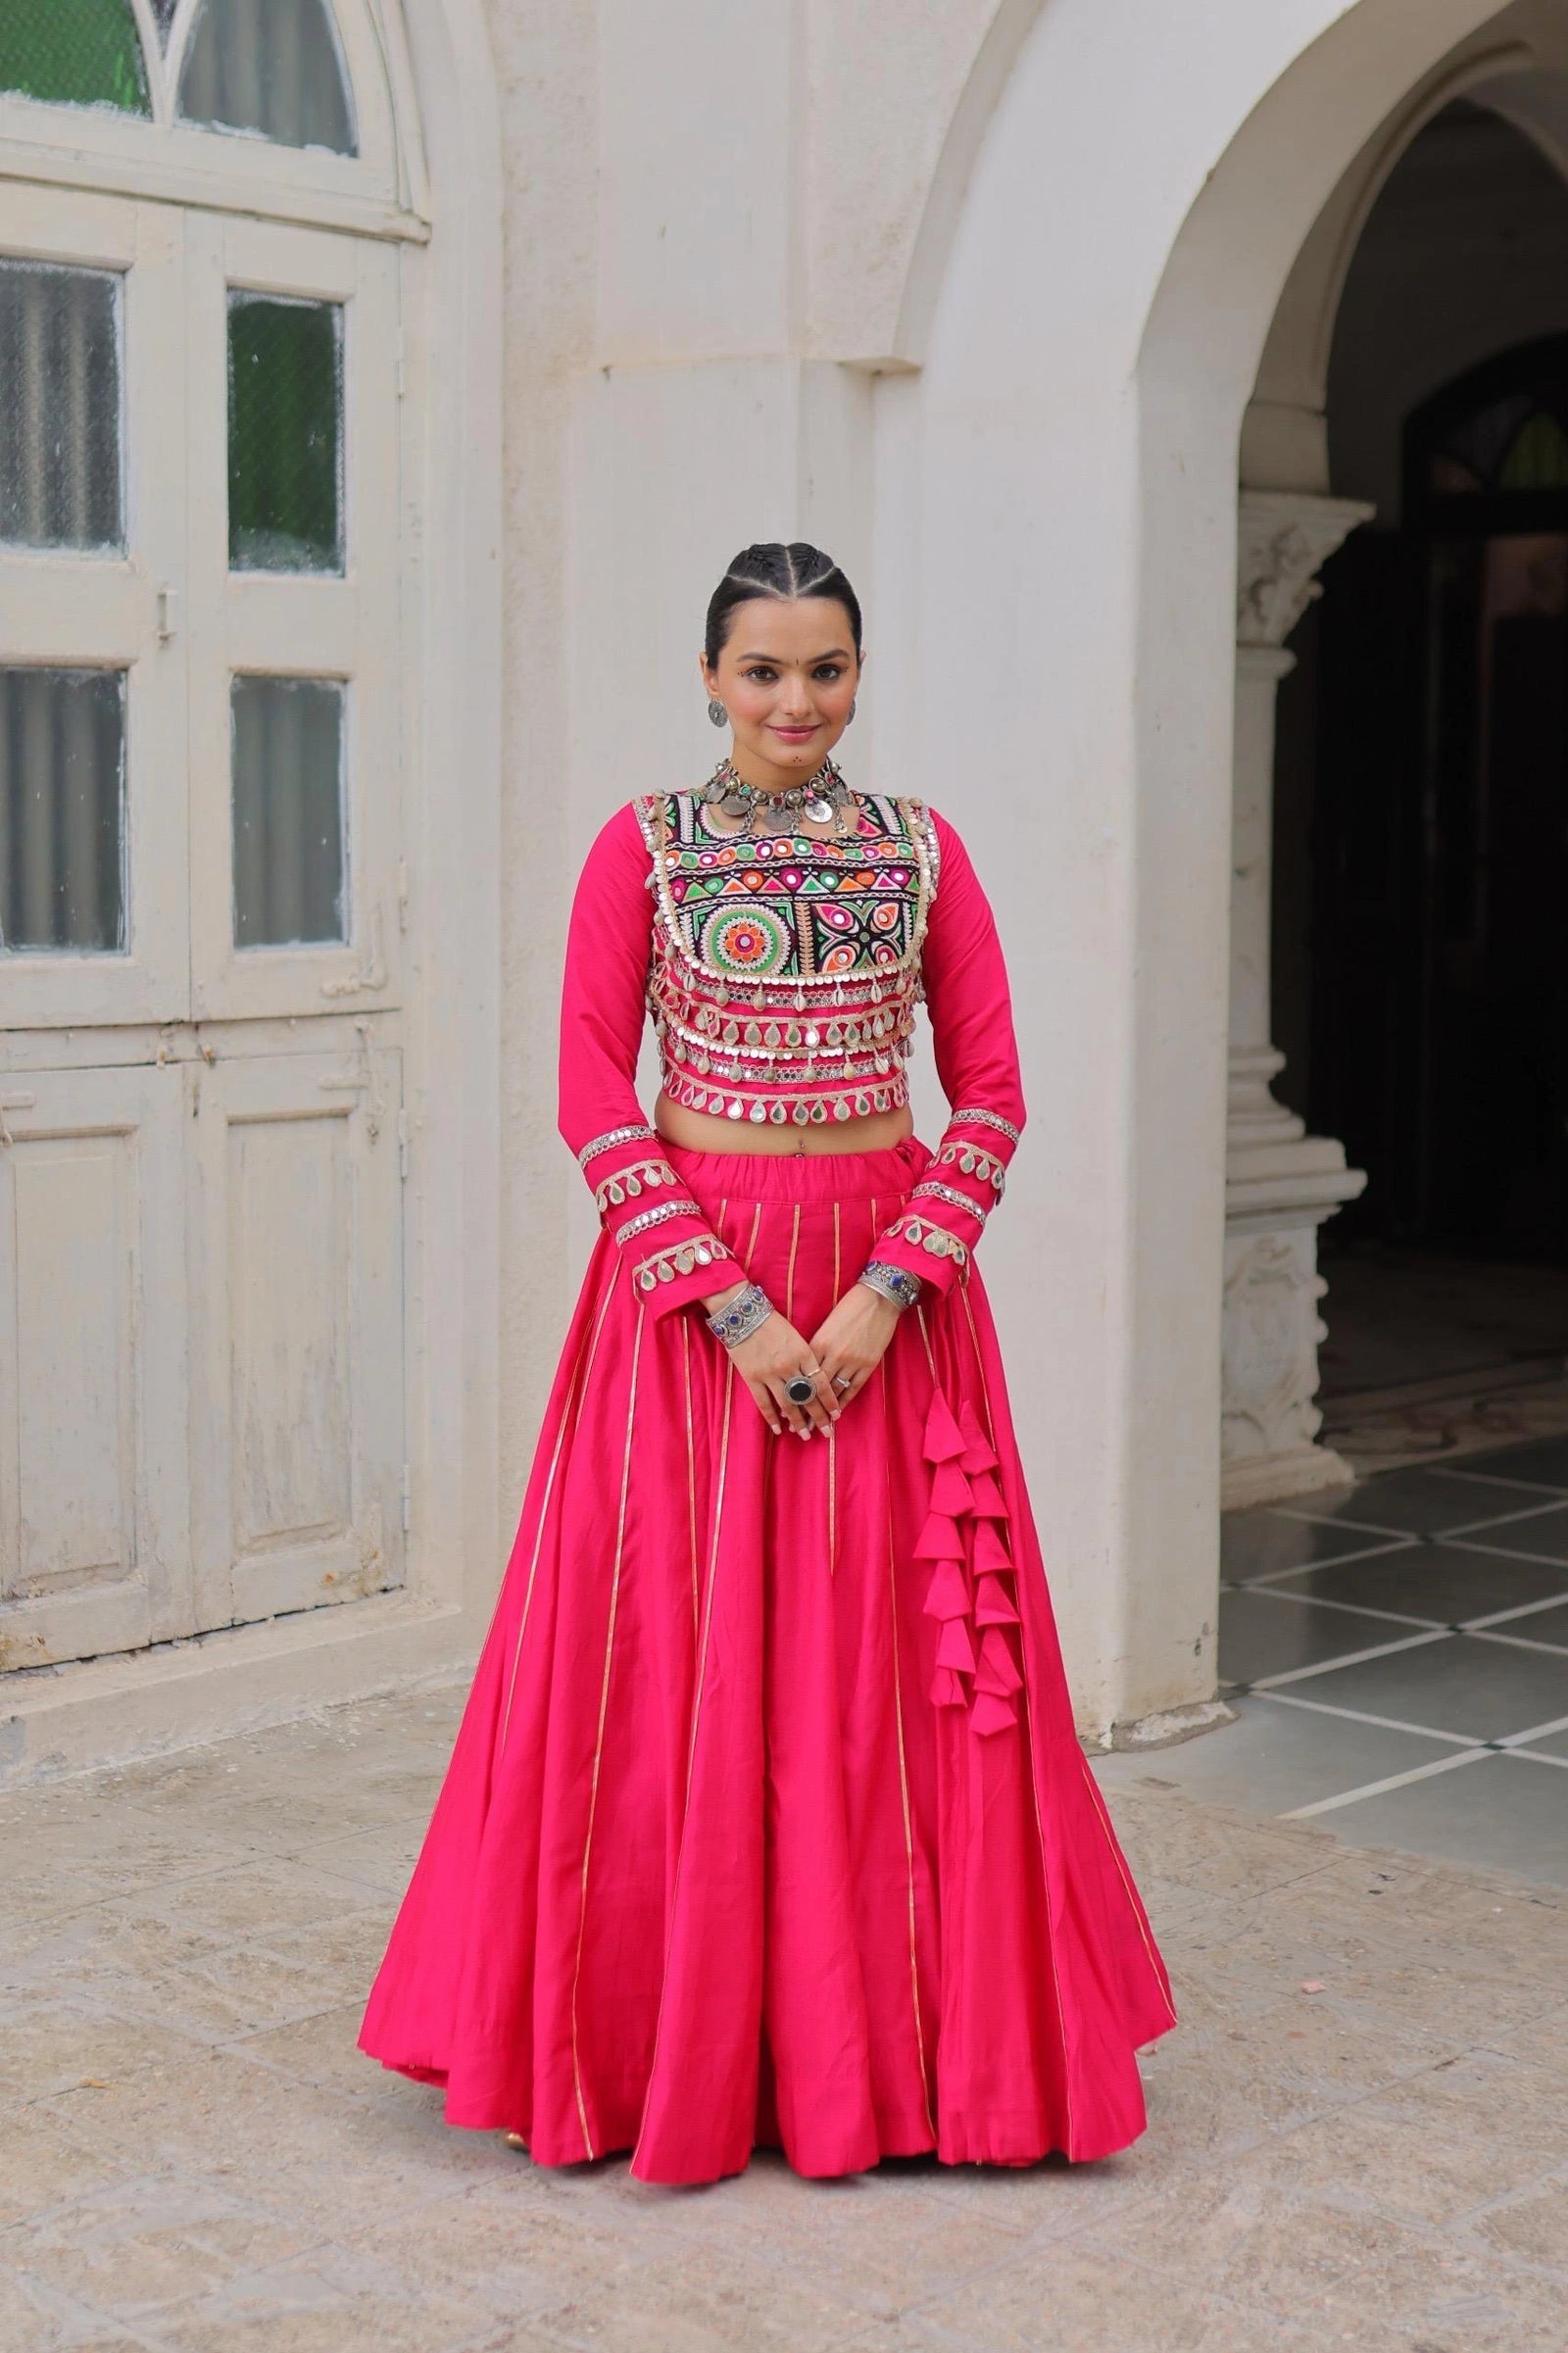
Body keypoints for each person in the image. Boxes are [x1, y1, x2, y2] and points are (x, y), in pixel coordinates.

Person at [360, 541, 1175, 2184]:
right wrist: (726, 1305)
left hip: (890, 1298)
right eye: (763, 671)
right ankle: (668, 2054)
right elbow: (595, 1090)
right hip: (688, 1310)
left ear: (859, 675)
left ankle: (915, 2066)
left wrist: (887, 1291)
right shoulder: (642, 851)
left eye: (825, 670)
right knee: (671, 1650)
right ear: (711, 677)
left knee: (887, 1674)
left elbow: (995, 1092)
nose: (795, 701)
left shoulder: (923, 850)